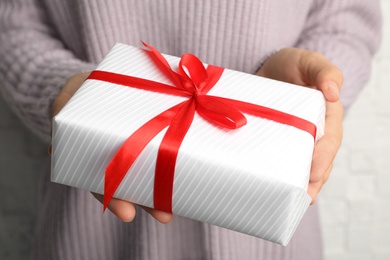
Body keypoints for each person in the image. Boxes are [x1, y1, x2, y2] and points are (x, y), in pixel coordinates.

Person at [0, 1, 381, 259]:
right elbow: (12, 23)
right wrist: (65, 94)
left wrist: (311, 101)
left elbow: (345, 19)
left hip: (267, 222)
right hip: (92, 225)